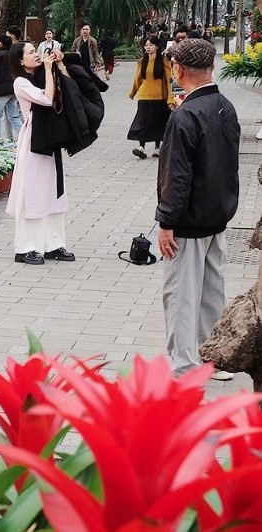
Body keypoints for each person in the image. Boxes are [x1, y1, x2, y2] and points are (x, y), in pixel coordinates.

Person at [157, 38, 240, 380]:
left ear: (179, 69)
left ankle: (184, 365)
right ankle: (214, 359)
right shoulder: (225, 106)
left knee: (181, 294)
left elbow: (177, 177)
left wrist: (166, 221)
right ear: (211, 68)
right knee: (211, 292)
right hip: (217, 215)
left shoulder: (186, 115)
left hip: (188, 220)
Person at [5, 42, 75, 265]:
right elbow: (47, 99)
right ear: (19, 60)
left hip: (50, 138)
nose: (37, 55)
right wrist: (47, 69)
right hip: (34, 140)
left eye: (36, 51)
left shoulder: (43, 74)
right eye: (31, 52)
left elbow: (68, 87)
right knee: (32, 192)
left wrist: (59, 64)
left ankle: (53, 244)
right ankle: (26, 247)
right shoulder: (21, 82)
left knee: (54, 190)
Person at [128, 36, 173, 159]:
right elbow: (138, 79)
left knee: (158, 123)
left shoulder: (164, 62)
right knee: (143, 122)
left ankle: (157, 147)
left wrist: (170, 98)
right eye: (146, 45)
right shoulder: (142, 61)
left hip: (159, 97)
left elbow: (169, 81)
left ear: (157, 47)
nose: (148, 47)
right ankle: (141, 148)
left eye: (151, 45)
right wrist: (132, 92)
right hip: (144, 96)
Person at [0, 34, 22, 139]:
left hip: (1, 91)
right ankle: (25, 137)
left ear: (0, 43)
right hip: (13, 89)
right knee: (13, 115)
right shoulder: (13, 55)